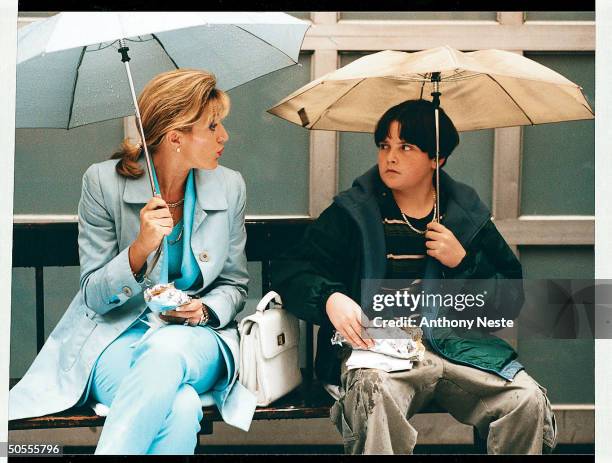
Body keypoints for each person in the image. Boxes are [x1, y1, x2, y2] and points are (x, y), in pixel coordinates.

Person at [271, 99, 557, 454]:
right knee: (372, 393)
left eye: (406, 147)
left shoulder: (465, 217)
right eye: (384, 145)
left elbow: (510, 299)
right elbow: (294, 268)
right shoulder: (353, 213)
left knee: (526, 400)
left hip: (456, 347)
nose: (390, 156)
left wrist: (464, 262)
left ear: (437, 159)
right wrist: (330, 298)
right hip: (378, 350)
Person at [9, 69, 256, 454]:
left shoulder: (230, 186)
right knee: (181, 404)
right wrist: (140, 248)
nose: (224, 136)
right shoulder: (102, 183)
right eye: (212, 126)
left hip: (198, 340)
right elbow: (93, 294)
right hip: (117, 337)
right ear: (175, 137)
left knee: (165, 352)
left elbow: (235, 286)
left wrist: (202, 310)